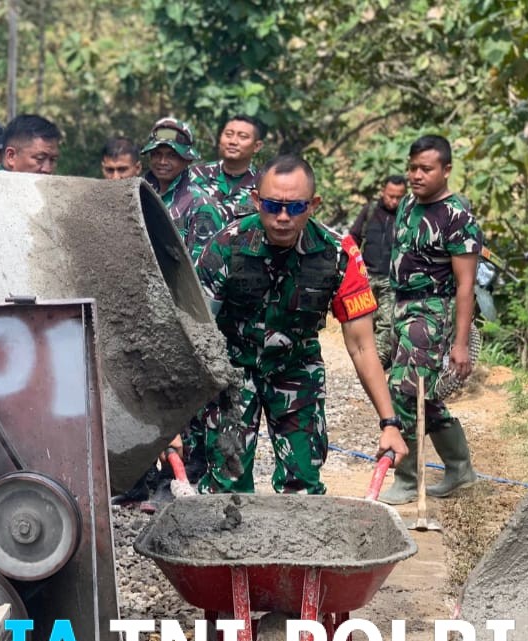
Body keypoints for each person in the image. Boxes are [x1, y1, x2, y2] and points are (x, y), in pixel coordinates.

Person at [194, 154, 407, 494]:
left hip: (296, 368)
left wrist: (389, 422)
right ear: (256, 201)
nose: (282, 217)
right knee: (227, 483)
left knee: (303, 483)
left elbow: (362, 345)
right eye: (272, 206)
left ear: (313, 205)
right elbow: (195, 334)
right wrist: (169, 425)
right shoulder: (226, 246)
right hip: (232, 370)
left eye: (294, 207)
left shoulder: (338, 254)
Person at [379, 135, 481, 504]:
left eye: (426, 169)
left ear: (446, 170)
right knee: (425, 394)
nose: (416, 175)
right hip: (401, 307)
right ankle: (460, 469)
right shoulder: (407, 204)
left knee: (405, 391)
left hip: (432, 312)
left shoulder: (457, 217)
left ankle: (407, 479)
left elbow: (465, 285)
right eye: (412, 168)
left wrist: (460, 343)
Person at [140, 117, 223, 262]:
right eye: (157, 154)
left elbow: (201, 265)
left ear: (187, 159)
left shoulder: (200, 205)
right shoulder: (138, 193)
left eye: (172, 155)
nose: (162, 162)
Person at [346, 175, 408, 368]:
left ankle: (377, 365)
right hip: (366, 277)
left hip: (391, 279)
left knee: (386, 324)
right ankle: (365, 359)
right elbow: (353, 238)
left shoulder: (407, 217)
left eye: (399, 197)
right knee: (363, 321)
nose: (394, 201)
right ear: (383, 192)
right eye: (391, 196)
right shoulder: (370, 211)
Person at [190, 114, 265, 221]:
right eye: (228, 135)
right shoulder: (194, 175)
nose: (233, 142)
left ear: (257, 146)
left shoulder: (263, 185)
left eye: (242, 137)